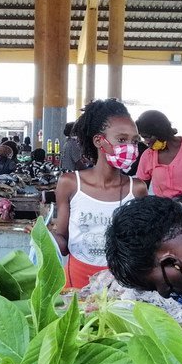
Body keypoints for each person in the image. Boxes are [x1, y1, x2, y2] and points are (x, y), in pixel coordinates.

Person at [52, 99, 149, 289]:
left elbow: (141, 247)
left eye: (134, 141)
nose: (130, 147)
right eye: (121, 140)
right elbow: (63, 246)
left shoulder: (137, 189)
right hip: (75, 284)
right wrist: (45, 237)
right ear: (99, 141)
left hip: (121, 288)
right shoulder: (70, 184)